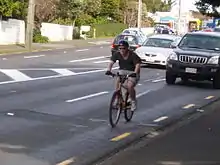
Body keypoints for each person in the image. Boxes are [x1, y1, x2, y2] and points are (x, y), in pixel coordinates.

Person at [105, 40, 141, 111]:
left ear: (127, 48)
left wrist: (135, 73)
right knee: (118, 83)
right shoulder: (117, 54)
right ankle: (117, 99)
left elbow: (138, 65)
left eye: (123, 48)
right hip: (122, 71)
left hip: (132, 72)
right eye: (120, 48)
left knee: (129, 86)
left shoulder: (132, 55)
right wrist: (108, 70)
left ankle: (133, 101)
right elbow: (111, 62)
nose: (122, 50)